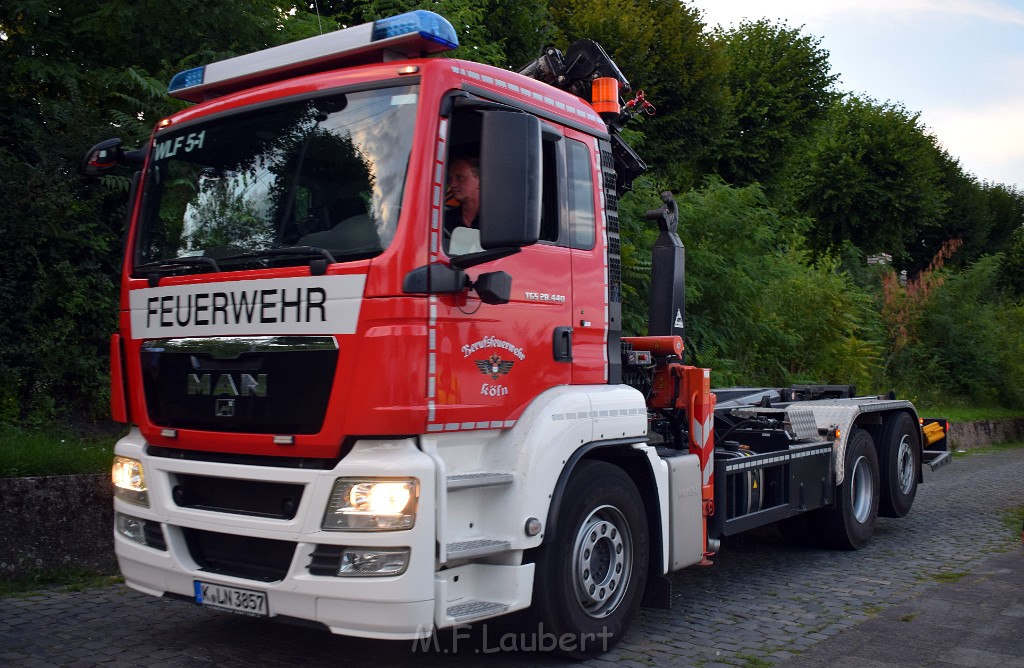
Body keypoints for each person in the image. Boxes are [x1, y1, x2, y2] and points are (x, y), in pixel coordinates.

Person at [444, 155, 480, 236]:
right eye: (450, 179)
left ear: (479, 181)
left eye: (460, 178)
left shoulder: (496, 218)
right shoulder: (444, 221)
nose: (452, 184)